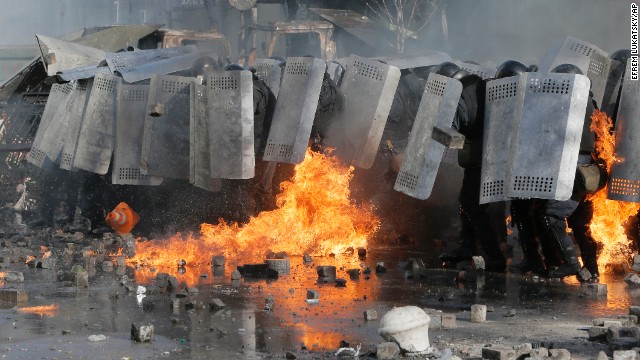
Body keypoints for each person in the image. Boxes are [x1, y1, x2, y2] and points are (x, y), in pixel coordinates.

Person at [438, 61, 508, 272]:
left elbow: (454, 132)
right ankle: (467, 246)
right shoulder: (484, 86)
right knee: (469, 202)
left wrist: (437, 129)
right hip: (497, 157)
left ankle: (494, 257)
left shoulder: (460, 96)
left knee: (473, 206)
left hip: (479, 160)